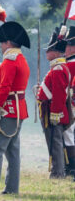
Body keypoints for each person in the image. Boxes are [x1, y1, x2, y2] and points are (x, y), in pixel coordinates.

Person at [0, 0, 30, 194]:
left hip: (6, 109)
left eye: (2, 42)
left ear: (9, 42)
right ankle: (11, 188)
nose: (1, 46)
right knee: (12, 151)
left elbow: (5, 87)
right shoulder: (20, 59)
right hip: (16, 110)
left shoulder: (10, 61)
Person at [37, 25, 71, 179]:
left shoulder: (58, 69)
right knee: (53, 142)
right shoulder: (57, 68)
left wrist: (55, 113)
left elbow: (58, 94)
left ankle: (58, 172)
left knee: (55, 143)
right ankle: (57, 170)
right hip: (50, 110)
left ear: (56, 52)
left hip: (54, 112)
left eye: (49, 50)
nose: (46, 52)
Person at [63, 26, 75, 181]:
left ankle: (71, 167)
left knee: (69, 134)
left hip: (71, 104)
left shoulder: (70, 64)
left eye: (65, 46)